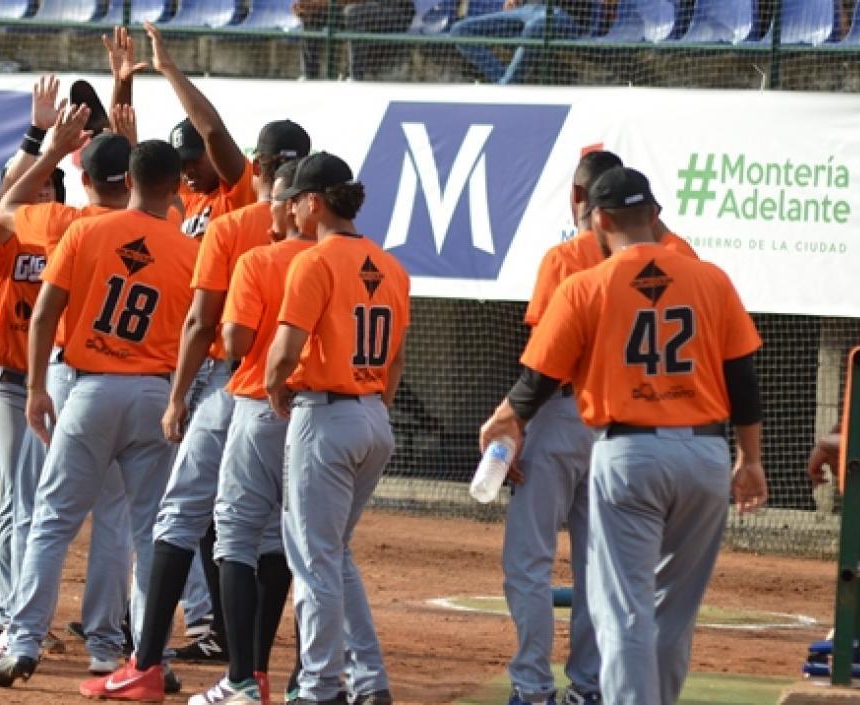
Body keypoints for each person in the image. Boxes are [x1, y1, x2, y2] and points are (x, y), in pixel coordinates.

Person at [480, 167, 768, 705]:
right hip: (705, 455)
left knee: (626, 609)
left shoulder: (585, 283)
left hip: (630, 452)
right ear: (655, 214)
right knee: (673, 613)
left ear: (600, 219)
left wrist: (506, 418)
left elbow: (540, 379)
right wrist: (748, 459)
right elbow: (743, 380)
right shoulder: (712, 278)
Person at [84, 119, 311, 700]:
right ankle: (256, 669)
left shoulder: (233, 225)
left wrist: (179, 394)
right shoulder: (326, 242)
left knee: (181, 515)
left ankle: (145, 664)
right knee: (274, 536)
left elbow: (202, 321)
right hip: (298, 397)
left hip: (227, 383)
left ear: (258, 167)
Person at [0, 138, 198, 694]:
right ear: (175, 189)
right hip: (155, 396)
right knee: (148, 531)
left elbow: (46, 313)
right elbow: (199, 336)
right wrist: (180, 398)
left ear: (127, 179)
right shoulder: (187, 250)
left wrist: (34, 386)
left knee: (52, 520)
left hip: (91, 389)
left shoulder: (83, 229)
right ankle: (145, 655)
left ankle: (24, 639)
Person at [501, 150, 697, 705]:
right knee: (602, 567)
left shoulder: (566, 258)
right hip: (632, 429)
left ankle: (533, 688)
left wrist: (515, 422)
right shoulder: (682, 256)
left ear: (581, 200)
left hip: (563, 414)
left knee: (529, 561)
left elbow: (543, 363)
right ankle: (588, 686)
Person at [265, 152, 410, 705]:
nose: (292, 206)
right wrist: (373, 408)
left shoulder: (314, 261)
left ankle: (320, 685)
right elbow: (395, 360)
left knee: (313, 558)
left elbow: (285, 350)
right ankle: (369, 680)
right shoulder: (392, 266)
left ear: (315, 202)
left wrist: (277, 386)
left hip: (326, 417)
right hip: (372, 414)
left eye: (297, 197)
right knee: (334, 553)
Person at [188, 158, 311, 705]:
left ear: (288, 204)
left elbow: (234, 342)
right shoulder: (352, 260)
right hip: (321, 414)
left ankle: (242, 678)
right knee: (307, 546)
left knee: (233, 536)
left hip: (260, 401)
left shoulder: (258, 256)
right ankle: (306, 677)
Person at [0, 74, 78, 668]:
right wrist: (39, 137)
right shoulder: (2, 239)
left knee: (41, 501)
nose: (34, 197)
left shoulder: (69, 232)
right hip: (11, 382)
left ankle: (9, 604)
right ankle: (10, 615)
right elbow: (7, 195)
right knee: (18, 498)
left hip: (59, 383)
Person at [144, 22, 257, 240]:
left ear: (211, 151)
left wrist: (168, 68)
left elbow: (213, 131)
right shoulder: (180, 197)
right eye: (182, 165)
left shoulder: (238, 190)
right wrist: (123, 84)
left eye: (194, 159)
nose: (188, 171)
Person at [448, 0, 591, 85]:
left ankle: (507, 85)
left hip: (562, 14)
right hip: (527, 9)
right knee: (460, 31)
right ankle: (506, 83)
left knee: (535, 27)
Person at [294, 0, 416, 79]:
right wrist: (310, 5)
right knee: (311, 14)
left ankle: (356, 77)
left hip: (396, 12)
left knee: (353, 12)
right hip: (354, 8)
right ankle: (309, 75)